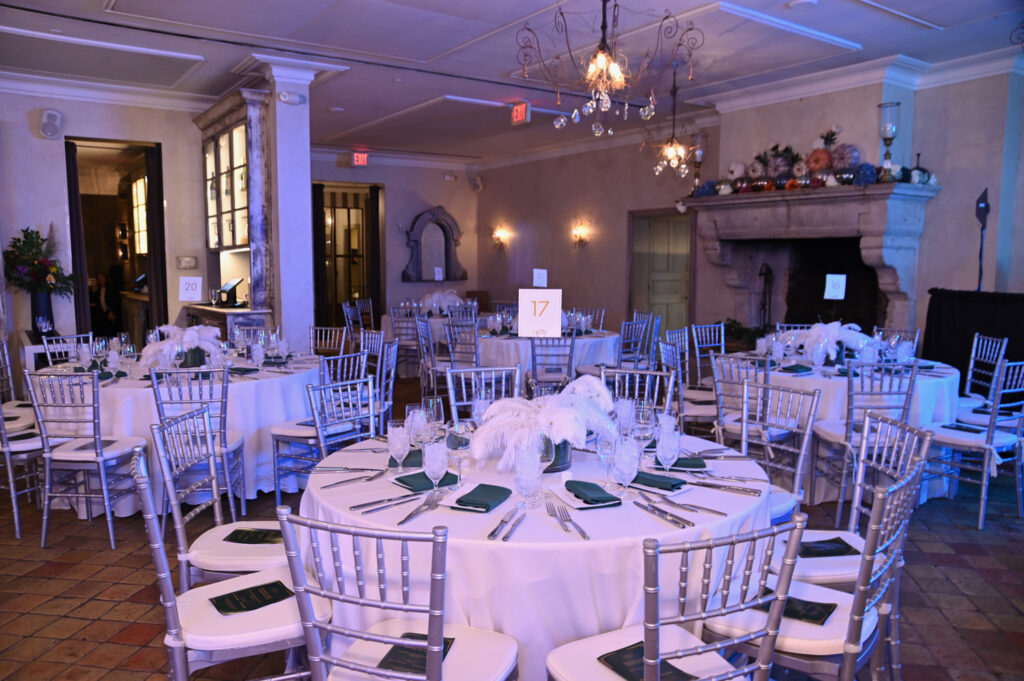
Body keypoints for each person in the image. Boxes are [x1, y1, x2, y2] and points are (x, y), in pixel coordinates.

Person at [90, 272, 120, 336]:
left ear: (106, 278)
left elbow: (116, 301)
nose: (100, 279)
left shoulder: (112, 289)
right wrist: (94, 290)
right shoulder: (97, 291)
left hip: (111, 314)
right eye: (99, 278)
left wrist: (112, 311)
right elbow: (94, 303)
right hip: (101, 317)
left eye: (102, 277)